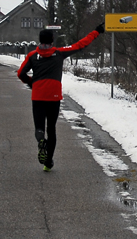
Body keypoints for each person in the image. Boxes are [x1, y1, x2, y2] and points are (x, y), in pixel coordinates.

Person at [17, 23, 105, 171]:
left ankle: (41, 141)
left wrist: (32, 83)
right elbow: (80, 45)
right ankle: (48, 162)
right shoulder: (59, 53)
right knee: (51, 129)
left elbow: (21, 73)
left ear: (40, 40)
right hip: (54, 96)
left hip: (38, 96)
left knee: (39, 127)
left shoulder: (32, 56)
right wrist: (96, 32)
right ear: (52, 40)